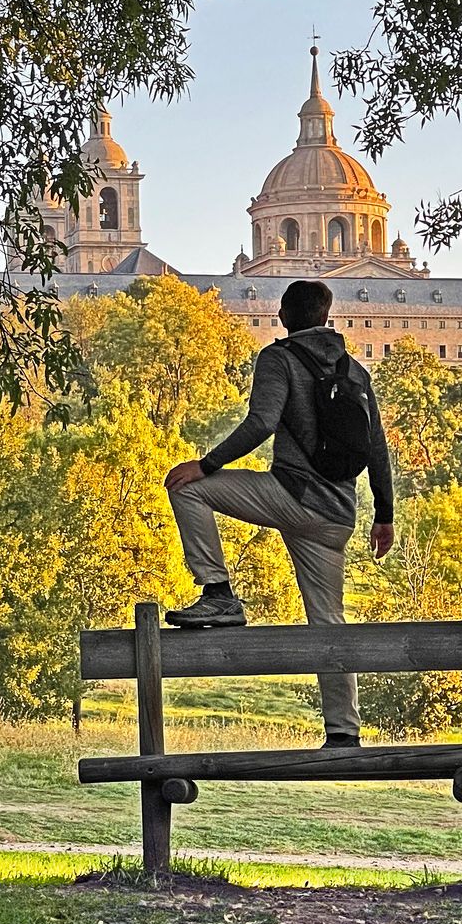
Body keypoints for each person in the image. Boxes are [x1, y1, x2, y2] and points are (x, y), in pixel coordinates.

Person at [164, 279, 395, 748]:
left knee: (189, 490)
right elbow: (377, 447)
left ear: (285, 315)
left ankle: (219, 593)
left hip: (291, 495)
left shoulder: (279, 359)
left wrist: (205, 464)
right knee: (329, 621)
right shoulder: (355, 372)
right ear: (327, 317)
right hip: (337, 516)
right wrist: (384, 515)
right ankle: (344, 733)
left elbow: (262, 423)